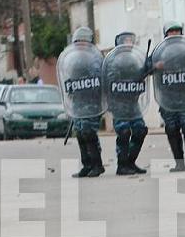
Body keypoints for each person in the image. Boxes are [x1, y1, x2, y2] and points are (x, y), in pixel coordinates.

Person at [156, 21, 185, 172]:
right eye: (171, 31)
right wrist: (155, 65)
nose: (174, 34)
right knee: (172, 130)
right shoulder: (159, 51)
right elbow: (146, 68)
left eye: (177, 31)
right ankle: (179, 163)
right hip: (168, 101)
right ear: (166, 34)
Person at [62, 27, 105, 178]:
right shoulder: (72, 60)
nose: (80, 44)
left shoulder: (95, 59)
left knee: (88, 131)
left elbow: (97, 79)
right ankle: (87, 165)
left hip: (92, 102)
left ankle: (97, 164)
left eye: (83, 41)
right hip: (78, 103)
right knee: (80, 133)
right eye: (77, 42)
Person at [107, 31, 150, 175]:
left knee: (140, 130)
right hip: (119, 104)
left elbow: (139, 76)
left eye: (131, 40)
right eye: (126, 41)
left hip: (133, 104)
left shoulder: (135, 60)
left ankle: (130, 162)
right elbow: (110, 82)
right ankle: (122, 165)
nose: (129, 43)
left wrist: (147, 68)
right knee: (124, 132)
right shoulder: (113, 61)